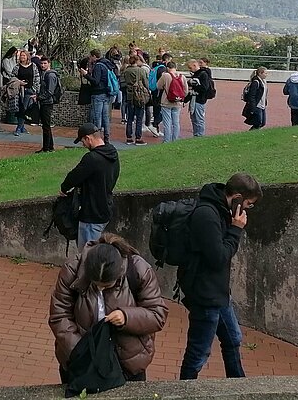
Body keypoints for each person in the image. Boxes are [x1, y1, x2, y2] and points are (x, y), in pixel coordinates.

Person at [49, 233, 168, 386]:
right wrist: (80, 351)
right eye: (96, 284)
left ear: (118, 274)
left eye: (106, 286)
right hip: (81, 360)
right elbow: (59, 315)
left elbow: (157, 315)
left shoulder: (139, 270)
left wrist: (127, 317)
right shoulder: (72, 270)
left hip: (127, 361)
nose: (100, 288)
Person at [178, 173, 262, 380]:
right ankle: (183, 391)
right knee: (199, 352)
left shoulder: (221, 210)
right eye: (249, 204)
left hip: (218, 293)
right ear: (238, 198)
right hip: (205, 295)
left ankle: (238, 384)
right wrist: (236, 229)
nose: (248, 210)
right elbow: (218, 258)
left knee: (233, 338)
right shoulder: (207, 215)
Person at [59, 124, 120, 248]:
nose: (83, 145)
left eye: (83, 142)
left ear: (88, 138)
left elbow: (73, 177)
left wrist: (64, 189)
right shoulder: (113, 153)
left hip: (91, 214)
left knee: (88, 254)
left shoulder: (92, 158)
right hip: (105, 209)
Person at [79, 50, 112, 143]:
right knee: (105, 116)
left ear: (94, 56)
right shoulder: (106, 64)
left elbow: (96, 81)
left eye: (90, 57)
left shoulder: (98, 66)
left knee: (97, 116)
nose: (89, 59)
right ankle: (107, 138)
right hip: (106, 93)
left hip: (98, 93)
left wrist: (86, 75)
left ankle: (98, 139)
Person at [120, 53, 151, 145]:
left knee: (130, 117)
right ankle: (138, 138)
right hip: (139, 96)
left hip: (129, 95)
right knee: (139, 118)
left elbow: (123, 82)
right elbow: (146, 83)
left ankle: (129, 137)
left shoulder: (126, 71)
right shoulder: (141, 71)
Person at [157, 60, 188, 142]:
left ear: (167, 68)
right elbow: (185, 91)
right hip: (177, 102)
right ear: (175, 67)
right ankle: (175, 140)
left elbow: (158, 86)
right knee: (176, 123)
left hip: (166, 102)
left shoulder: (166, 76)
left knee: (167, 123)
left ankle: (166, 140)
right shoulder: (182, 77)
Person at [35, 56, 60, 153]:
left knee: (46, 126)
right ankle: (50, 147)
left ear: (49, 63)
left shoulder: (50, 75)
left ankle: (46, 148)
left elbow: (50, 91)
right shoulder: (46, 74)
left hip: (47, 102)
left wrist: (38, 97)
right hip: (45, 102)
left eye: (45, 63)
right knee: (46, 126)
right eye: (41, 63)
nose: (42, 65)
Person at [187, 58, 216, 137]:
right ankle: (196, 134)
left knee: (199, 119)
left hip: (200, 99)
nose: (190, 70)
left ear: (194, 65)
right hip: (195, 99)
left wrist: (193, 86)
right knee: (194, 118)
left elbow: (204, 88)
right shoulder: (198, 74)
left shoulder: (203, 74)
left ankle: (199, 135)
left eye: (190, 68)